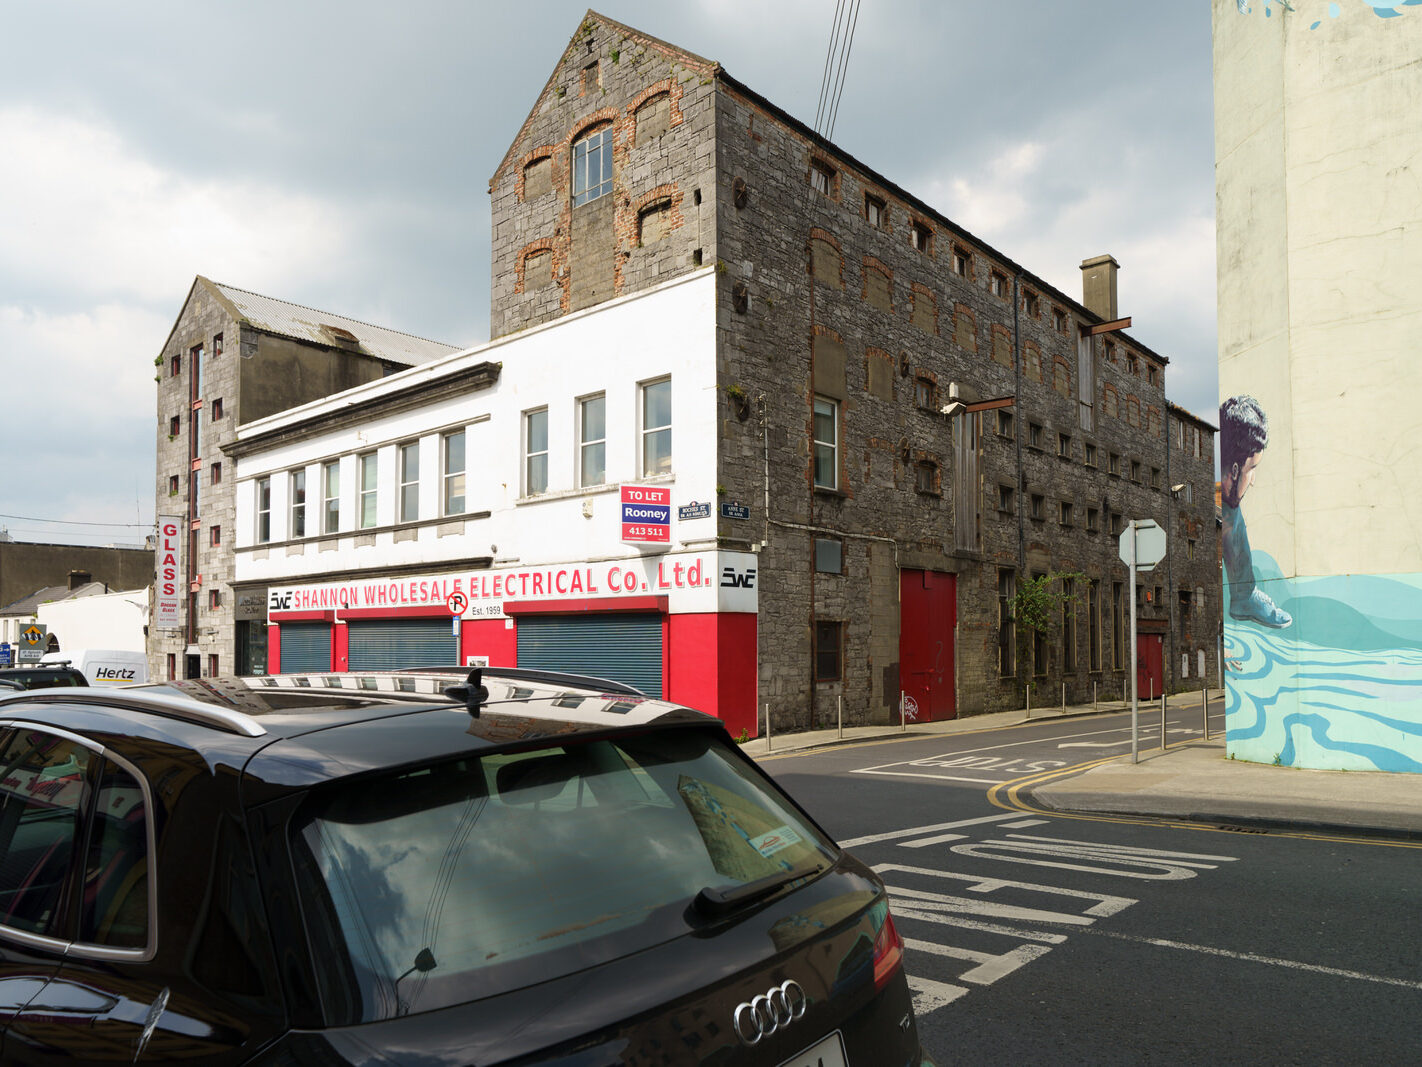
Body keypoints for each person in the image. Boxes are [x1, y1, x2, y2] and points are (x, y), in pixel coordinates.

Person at [1220, 395, 1291, 628]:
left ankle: (1244, 597)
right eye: (1252, 469)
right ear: (1234, 469)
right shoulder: (1213, 510)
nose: (1252, 481)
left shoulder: (1229, 508)